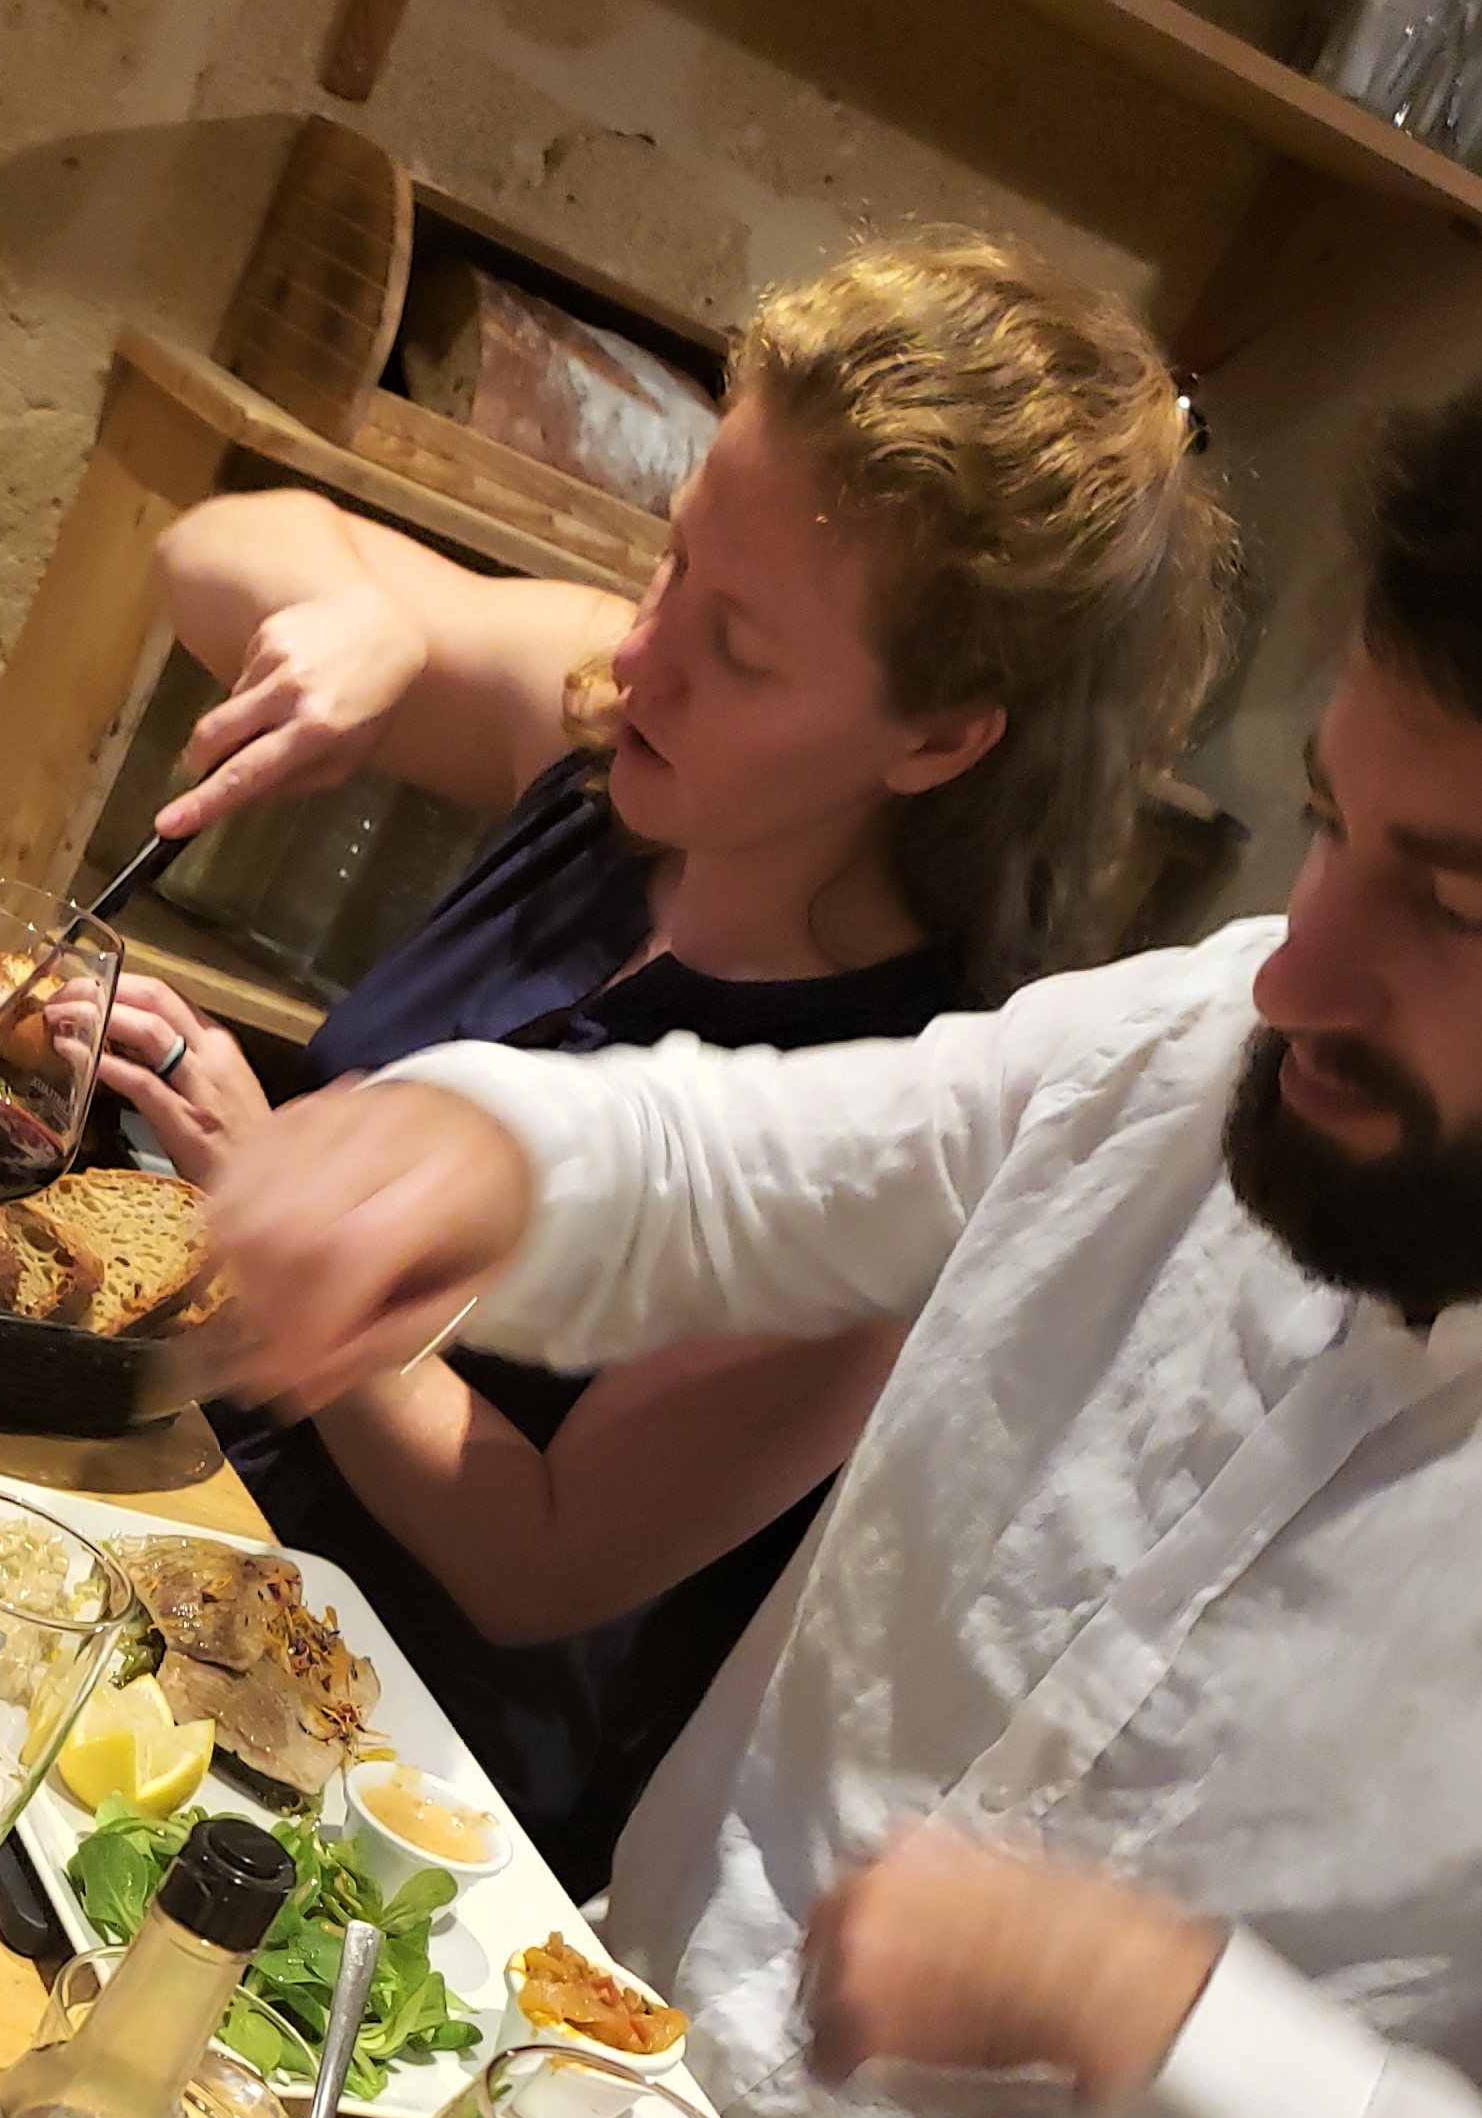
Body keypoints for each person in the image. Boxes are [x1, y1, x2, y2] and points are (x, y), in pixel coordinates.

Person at [193, 348, 1482, 2118]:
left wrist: (1169, 2022)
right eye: (1332, 827)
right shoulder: (1212, 1029)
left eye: (1453, 905)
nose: (1298, 972)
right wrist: (477, 1153)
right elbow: (778, 1162)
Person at [91, 237, 1230, 1890]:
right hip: (175, 1539)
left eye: (743, 646)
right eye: (675, 552)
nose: (646, 649)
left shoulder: (902, 1132)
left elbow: (539, 1565)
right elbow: (209, 548)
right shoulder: (613, 723)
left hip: (375, 1798)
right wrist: (364, 618)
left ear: (939, 739)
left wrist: (272, 1193)